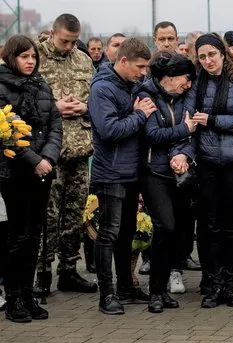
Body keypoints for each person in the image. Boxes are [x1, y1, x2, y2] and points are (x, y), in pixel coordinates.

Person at [88, 38, 156, 315]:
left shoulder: (133, 86)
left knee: (126, 233)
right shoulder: (102, 88)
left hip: (132, 172)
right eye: (139, 67)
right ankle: (107, 295)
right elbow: (109, 130)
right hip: (111, 173)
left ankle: (126, 287)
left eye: (146, 68)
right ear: (123, 61)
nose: (143, 72)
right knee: (109, 234)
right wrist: (139, 115)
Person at [191, 33, 233, 309]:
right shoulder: (196, 83)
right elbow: (191, 118)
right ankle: (214, 282)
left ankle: (230, 284)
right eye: (202, 56)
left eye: (212, 55)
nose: (208, 61)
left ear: (222, 53)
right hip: (206, 162)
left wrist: (212, 120)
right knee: (210, 224)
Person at [0, 35, 62, 322]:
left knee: (35, 235)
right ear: (12, 57)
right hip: (14, 172)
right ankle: (13, 297)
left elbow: (54, 126)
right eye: (24, 57)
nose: (30, 62)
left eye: (33, 57)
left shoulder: (41, 85)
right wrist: (35, 161)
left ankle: (28, 294)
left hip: (42, 171)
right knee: (18, 235)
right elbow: (6, 134)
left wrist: (48, 158)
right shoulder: (1, 87)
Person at [35, 13, 97, 297]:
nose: (70, 46)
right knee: (47, 215)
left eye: (74, 41)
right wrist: (54, 107)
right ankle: (42, 272)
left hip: (80, 149)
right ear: (52, 33)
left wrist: (85, 108)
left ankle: (69, 271)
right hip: (49, 152)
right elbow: (24, 100)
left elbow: (95, 98)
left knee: (74, 214)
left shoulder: (83, 60)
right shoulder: (34, 57)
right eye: (65, 41)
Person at [137, 51, 197, 313]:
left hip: (178, 173)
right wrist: (184, 130)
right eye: (185, 79)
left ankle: (162, 290)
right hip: (154, 174)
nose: (189, 84)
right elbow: (152, 135)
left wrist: (183, 153)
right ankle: (154, 292)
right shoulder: (146, 96)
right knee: (165, 227)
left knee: (177, 231)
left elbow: (193, 135)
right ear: (169, 78)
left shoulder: (184, 97)